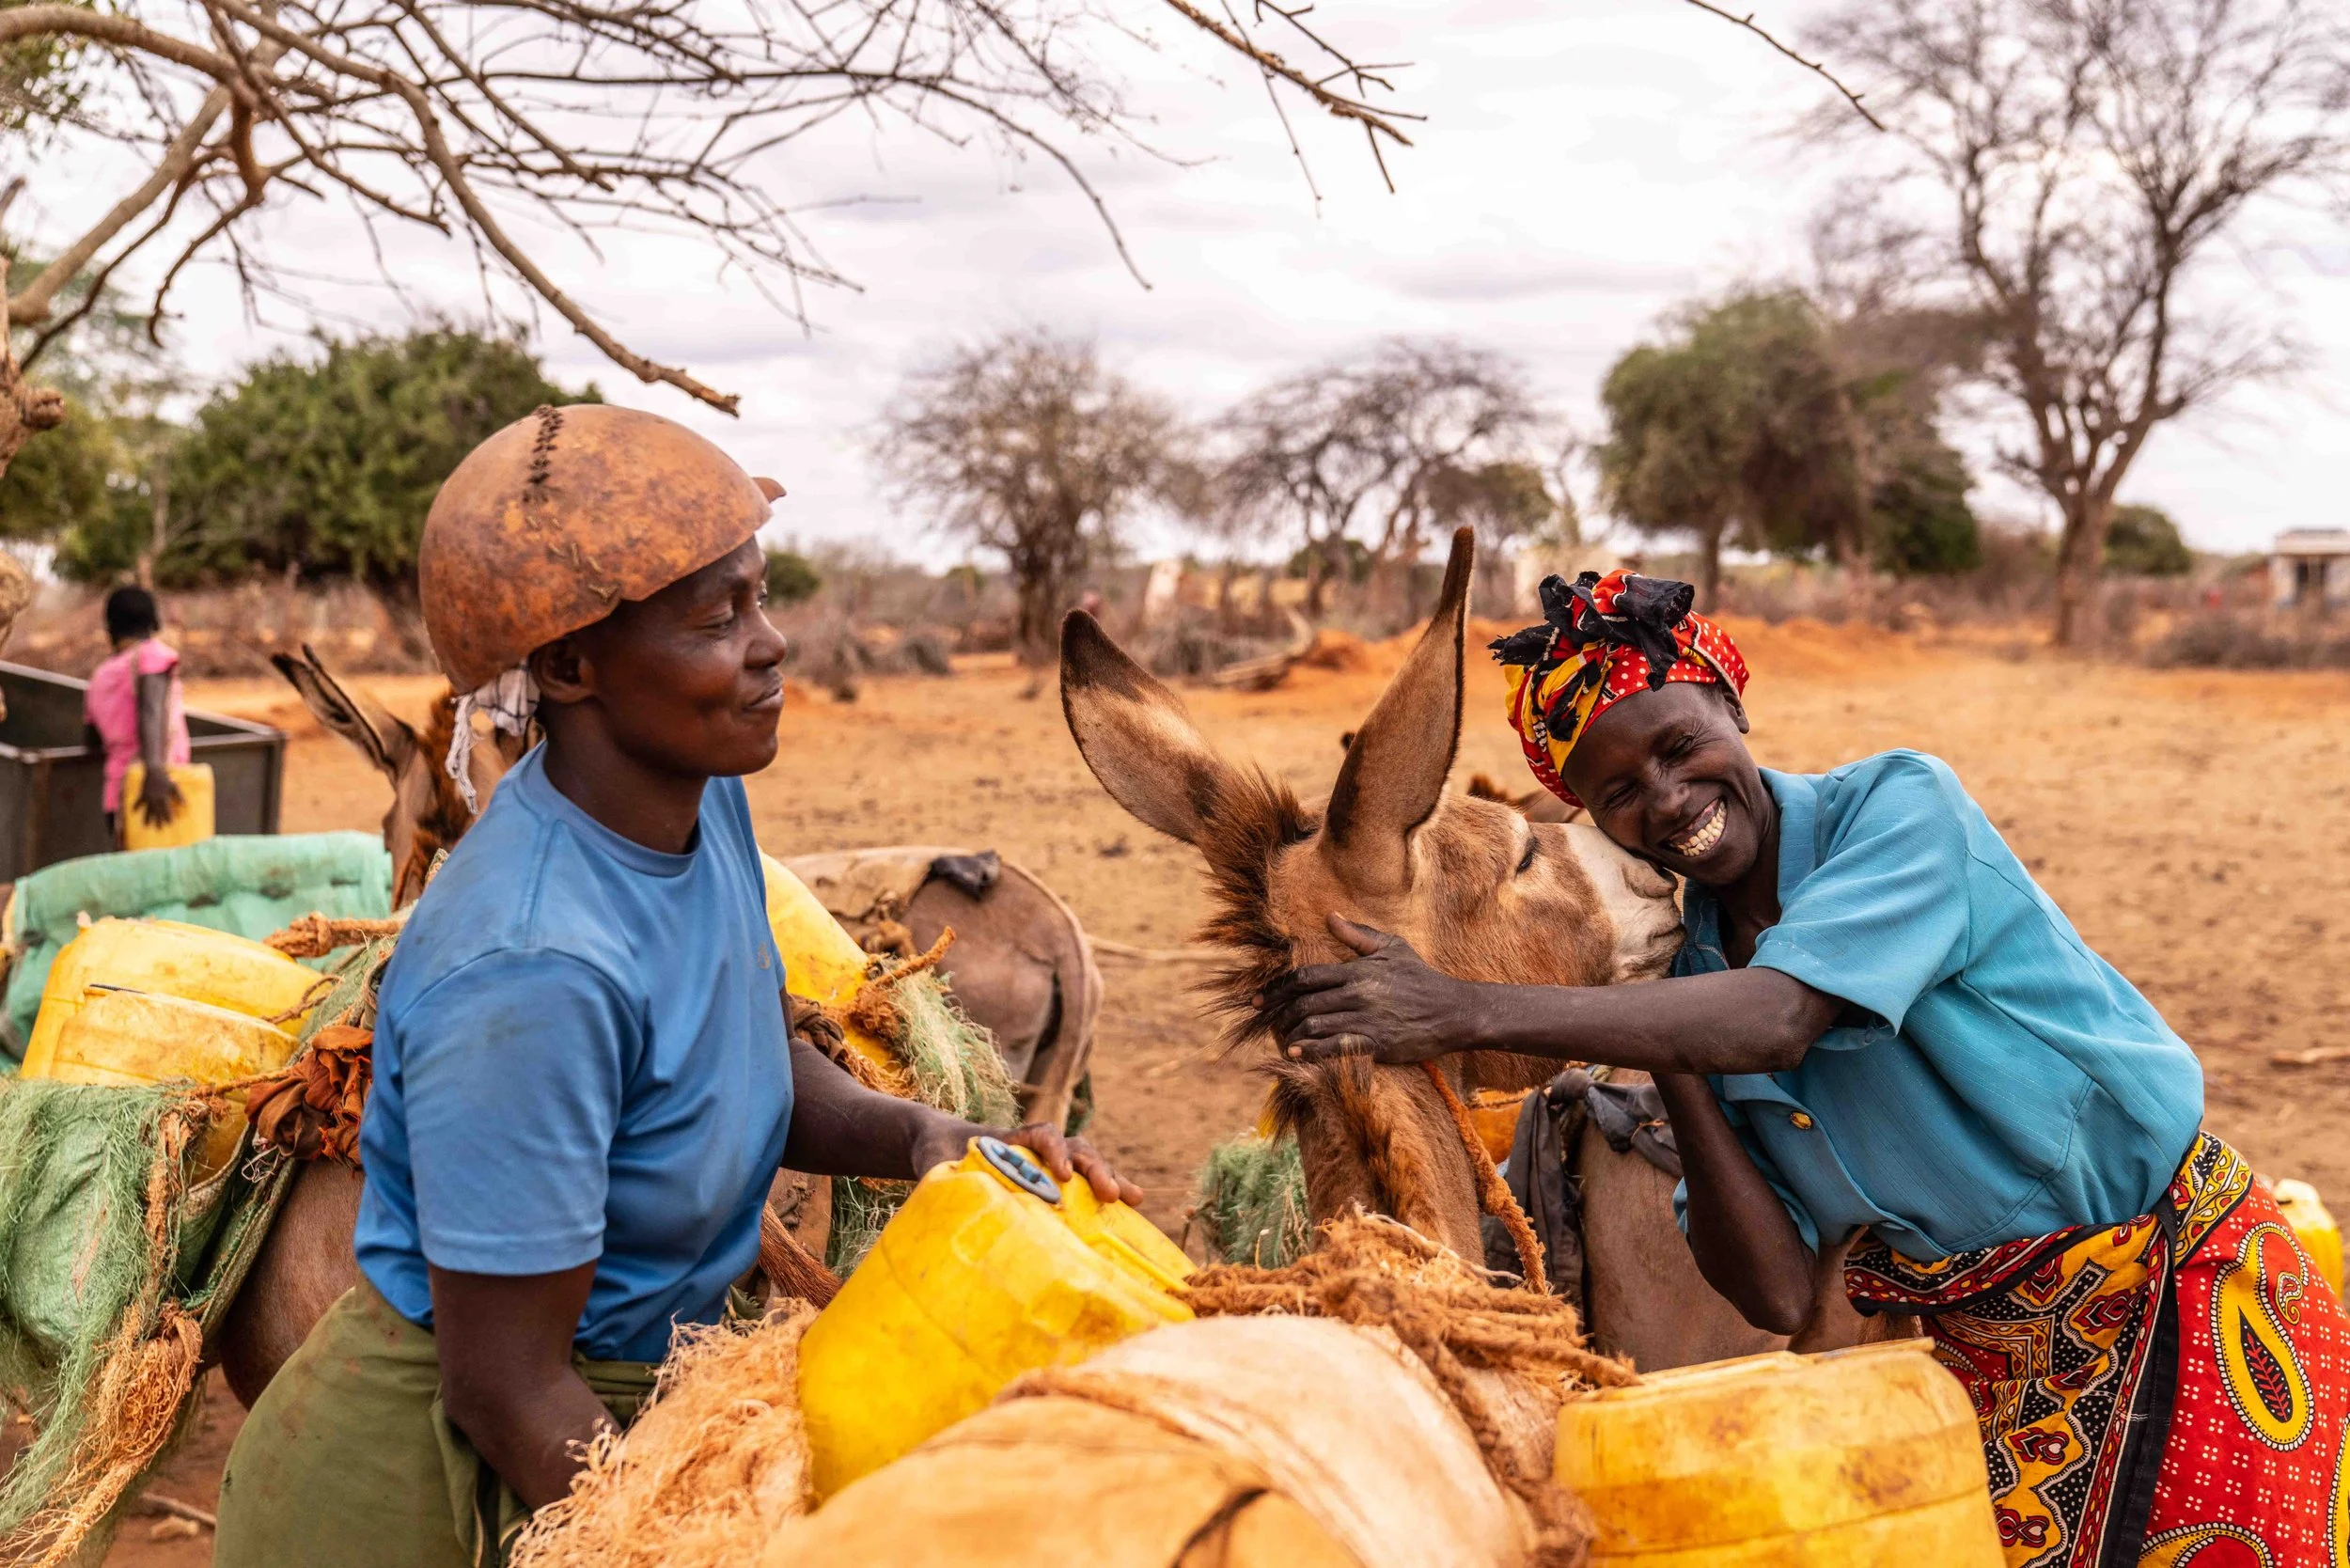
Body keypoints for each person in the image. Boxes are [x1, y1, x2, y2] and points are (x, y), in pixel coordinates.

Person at [1267, 569, 2349, 1567]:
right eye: (1619, 793)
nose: (1668, 798)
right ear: (1593, 820)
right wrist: (1673, 1055)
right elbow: (1776, 1289)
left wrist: (1458, 1008)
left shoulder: (1899, 810)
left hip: (2181, 1295)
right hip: (1989, 1362)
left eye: (1680, 745)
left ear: (1731, 712)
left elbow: (1783, 1016)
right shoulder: (1695, 981)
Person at [212, 405, 1137, 1568]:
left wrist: (936, 1141)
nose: (771, 643)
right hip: (445, 1490)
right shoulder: (531, 966)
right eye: (718, 619)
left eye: (759, 598)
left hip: (632, 1414)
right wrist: (686, 1540)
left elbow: (737, 1063)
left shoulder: (700, 813)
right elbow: (504, 1385)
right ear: (570, 665)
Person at [82, 585, 190, 839]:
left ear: (109, 629)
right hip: (156, 794)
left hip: (116, 799)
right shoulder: (152, 655)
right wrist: (153, 772)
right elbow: (151, 709)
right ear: (154, 622)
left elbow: (91, 740)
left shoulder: (98, 677)